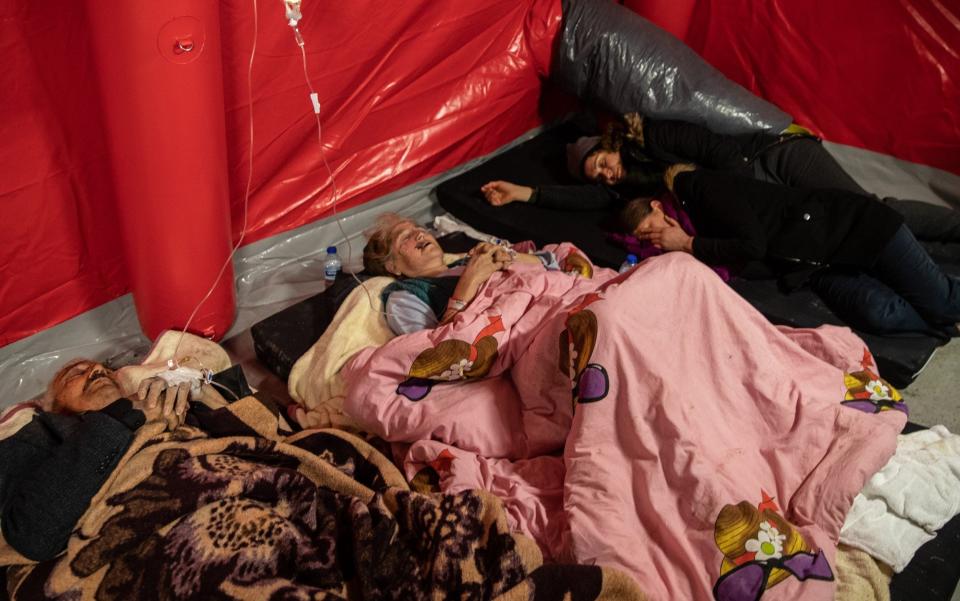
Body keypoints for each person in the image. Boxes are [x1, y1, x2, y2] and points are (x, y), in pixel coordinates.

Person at [480, 113, 960, 260]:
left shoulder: (657, 139)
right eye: (599, 175)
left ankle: (954, 227)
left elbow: (721, 153)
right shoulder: (634, 191)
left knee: (865, 209)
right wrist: (524, 193)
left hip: (774, 160)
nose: (606, 174)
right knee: (857, 234)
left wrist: (743, 201)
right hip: (766, 196)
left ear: (612, 147)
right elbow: (585, 199)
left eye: (602, 162)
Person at [621, 164, 960, 336]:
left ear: (657, 205)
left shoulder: (696, 188)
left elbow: (753, 244)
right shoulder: (697, 240)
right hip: (813, 265)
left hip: (856, 226)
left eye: (649, 226)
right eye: (644, 238)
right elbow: (752, 263)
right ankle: (943, 324)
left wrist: (688, 244)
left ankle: (944, 314)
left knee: (943, 300)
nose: (653, 236)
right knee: (882, 314)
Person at [0, 359, 221, 561]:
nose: (98, 370)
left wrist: (200, 392)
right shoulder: (41, 434)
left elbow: (248, 426)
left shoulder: (170, 405)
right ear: (54, 406)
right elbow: (32, 532)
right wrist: (126, 413)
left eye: (108, 372)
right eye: (76, 374)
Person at [362, 214, 567, 335]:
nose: (420, 234)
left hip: (554, 299)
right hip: (526, 330)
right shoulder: (405, 297)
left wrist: (505, 256)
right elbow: (436, 349)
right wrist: (471, 278)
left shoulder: (469, 259)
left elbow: (549, 263)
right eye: (405, 237)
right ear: (393, 267)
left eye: (418, 228)